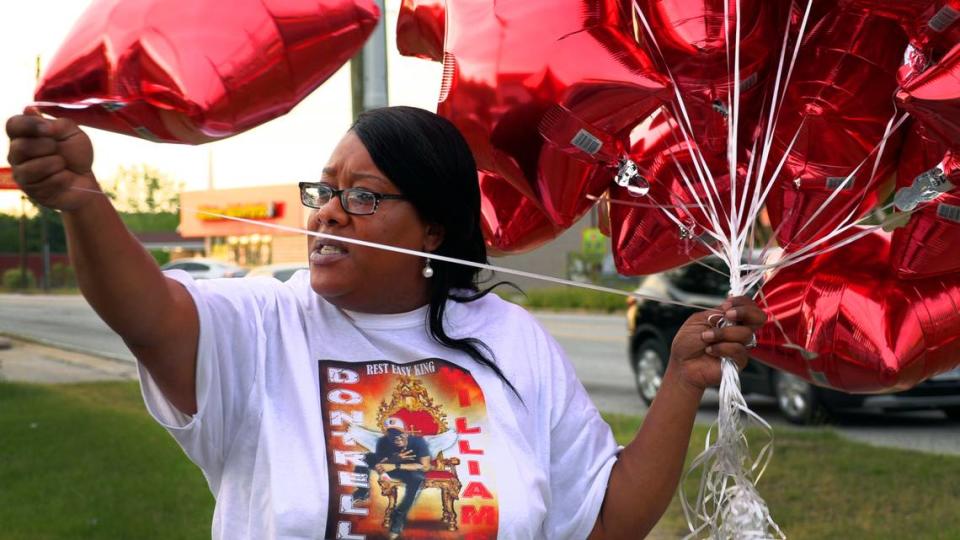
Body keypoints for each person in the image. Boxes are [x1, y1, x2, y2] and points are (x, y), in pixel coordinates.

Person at [5, 105, 765, 539]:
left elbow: (605, 519)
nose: (329, 210)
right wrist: (83, 200)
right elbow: (146, 315)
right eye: (325, 190)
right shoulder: (265, 324)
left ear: (432, 230)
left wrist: (682, 380)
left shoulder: (508, 339)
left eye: (364, 195)